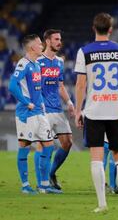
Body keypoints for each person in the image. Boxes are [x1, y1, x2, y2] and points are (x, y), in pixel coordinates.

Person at [74, 13, 118, 212]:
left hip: (94, 111)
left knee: (97, 157)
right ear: (110, 29)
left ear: (93, 28)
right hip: (116, 110)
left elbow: (81, 84)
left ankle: (102, 204)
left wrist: (77, 110)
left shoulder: (84, 52)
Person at [9, 34, 61, 194]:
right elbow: (12, 85)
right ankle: (25, 186)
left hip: (40, 112)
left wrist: (42, 105)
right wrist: (26, 102)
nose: (42, 46)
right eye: (39, 44)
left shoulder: (36, 65)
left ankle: (44, 185)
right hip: (27, 113)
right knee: (24, 147)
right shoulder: (23, 64)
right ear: (32, 47)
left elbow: (37, 89)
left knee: (49, 146)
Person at [34, 29, 74, 191]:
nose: (59, 42)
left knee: (67, 142)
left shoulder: (59, 61)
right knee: (42, 146)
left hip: (57, 108)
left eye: (60, 39)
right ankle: (41, 183)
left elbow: (60, 86)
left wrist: (70, 102)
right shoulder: (37, 61)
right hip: (42, 110)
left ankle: (50, 173)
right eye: (56, 39)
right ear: (47, 41)